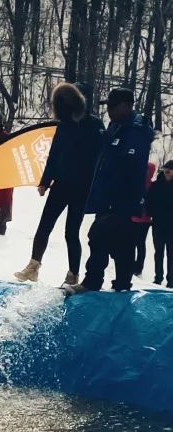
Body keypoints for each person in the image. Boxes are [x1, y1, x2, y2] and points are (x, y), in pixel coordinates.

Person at [15, 82, 104, 287]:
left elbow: (101, 158)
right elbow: (54, 154)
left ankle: (73, 274)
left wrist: (95, 187)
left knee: (71, 232)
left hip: (82, 188)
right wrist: (45, 181)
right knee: (44, 225)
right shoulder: (64, 125)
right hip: (61, 184)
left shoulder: (95, 125)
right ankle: (33, 266)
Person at [67, 89, 154, 295]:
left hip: (121, 198)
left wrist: (123, 199)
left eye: (112, 106)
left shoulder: (136, 131)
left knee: (97, 235)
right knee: (121, 241)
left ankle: (92, 281)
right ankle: (122, 284)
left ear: (125, 105)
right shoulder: (116, 126)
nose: (109, 111)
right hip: (107, 196)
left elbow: (130, 168)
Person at [146, 160, 173, 287]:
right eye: (165, 169)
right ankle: (158, 277)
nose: (167, 172)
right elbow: (149, 202)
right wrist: (154, 214)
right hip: (158, 223)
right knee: (159, 252)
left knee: (171, 253)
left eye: (170, 170)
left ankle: (171, 280)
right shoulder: (156, 185)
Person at [132, 162, 157, 275]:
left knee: (139, 243)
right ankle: (133, 266)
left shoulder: (152, 186)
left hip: (144, 219)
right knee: (134, 243)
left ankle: (138, 267)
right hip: (136, 218)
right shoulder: (140, 183)